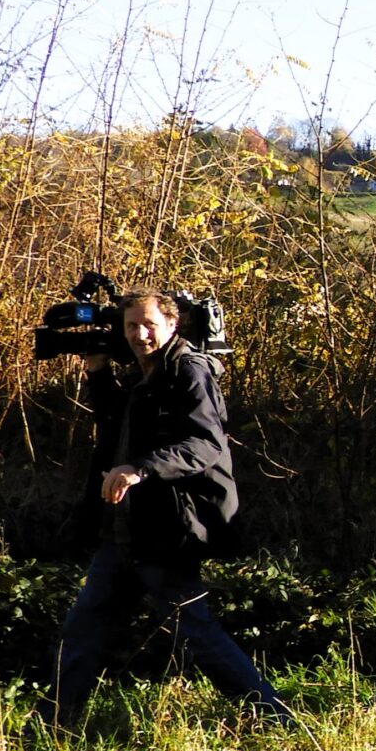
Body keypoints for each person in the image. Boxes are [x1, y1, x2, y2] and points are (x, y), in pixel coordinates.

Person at [52, 289, 281, 725]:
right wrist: (98, 373)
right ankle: (56, 722)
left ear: (172, 325)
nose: (140, 335)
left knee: (195, 633)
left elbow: (205, 444)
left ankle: (273, 717)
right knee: (83, 631)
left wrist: (141, 469)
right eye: (131, 326)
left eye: (149, 325)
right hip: (124, 531)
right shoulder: (145, 374)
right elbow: (118, 424)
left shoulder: (188, 369)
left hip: (165, 529)